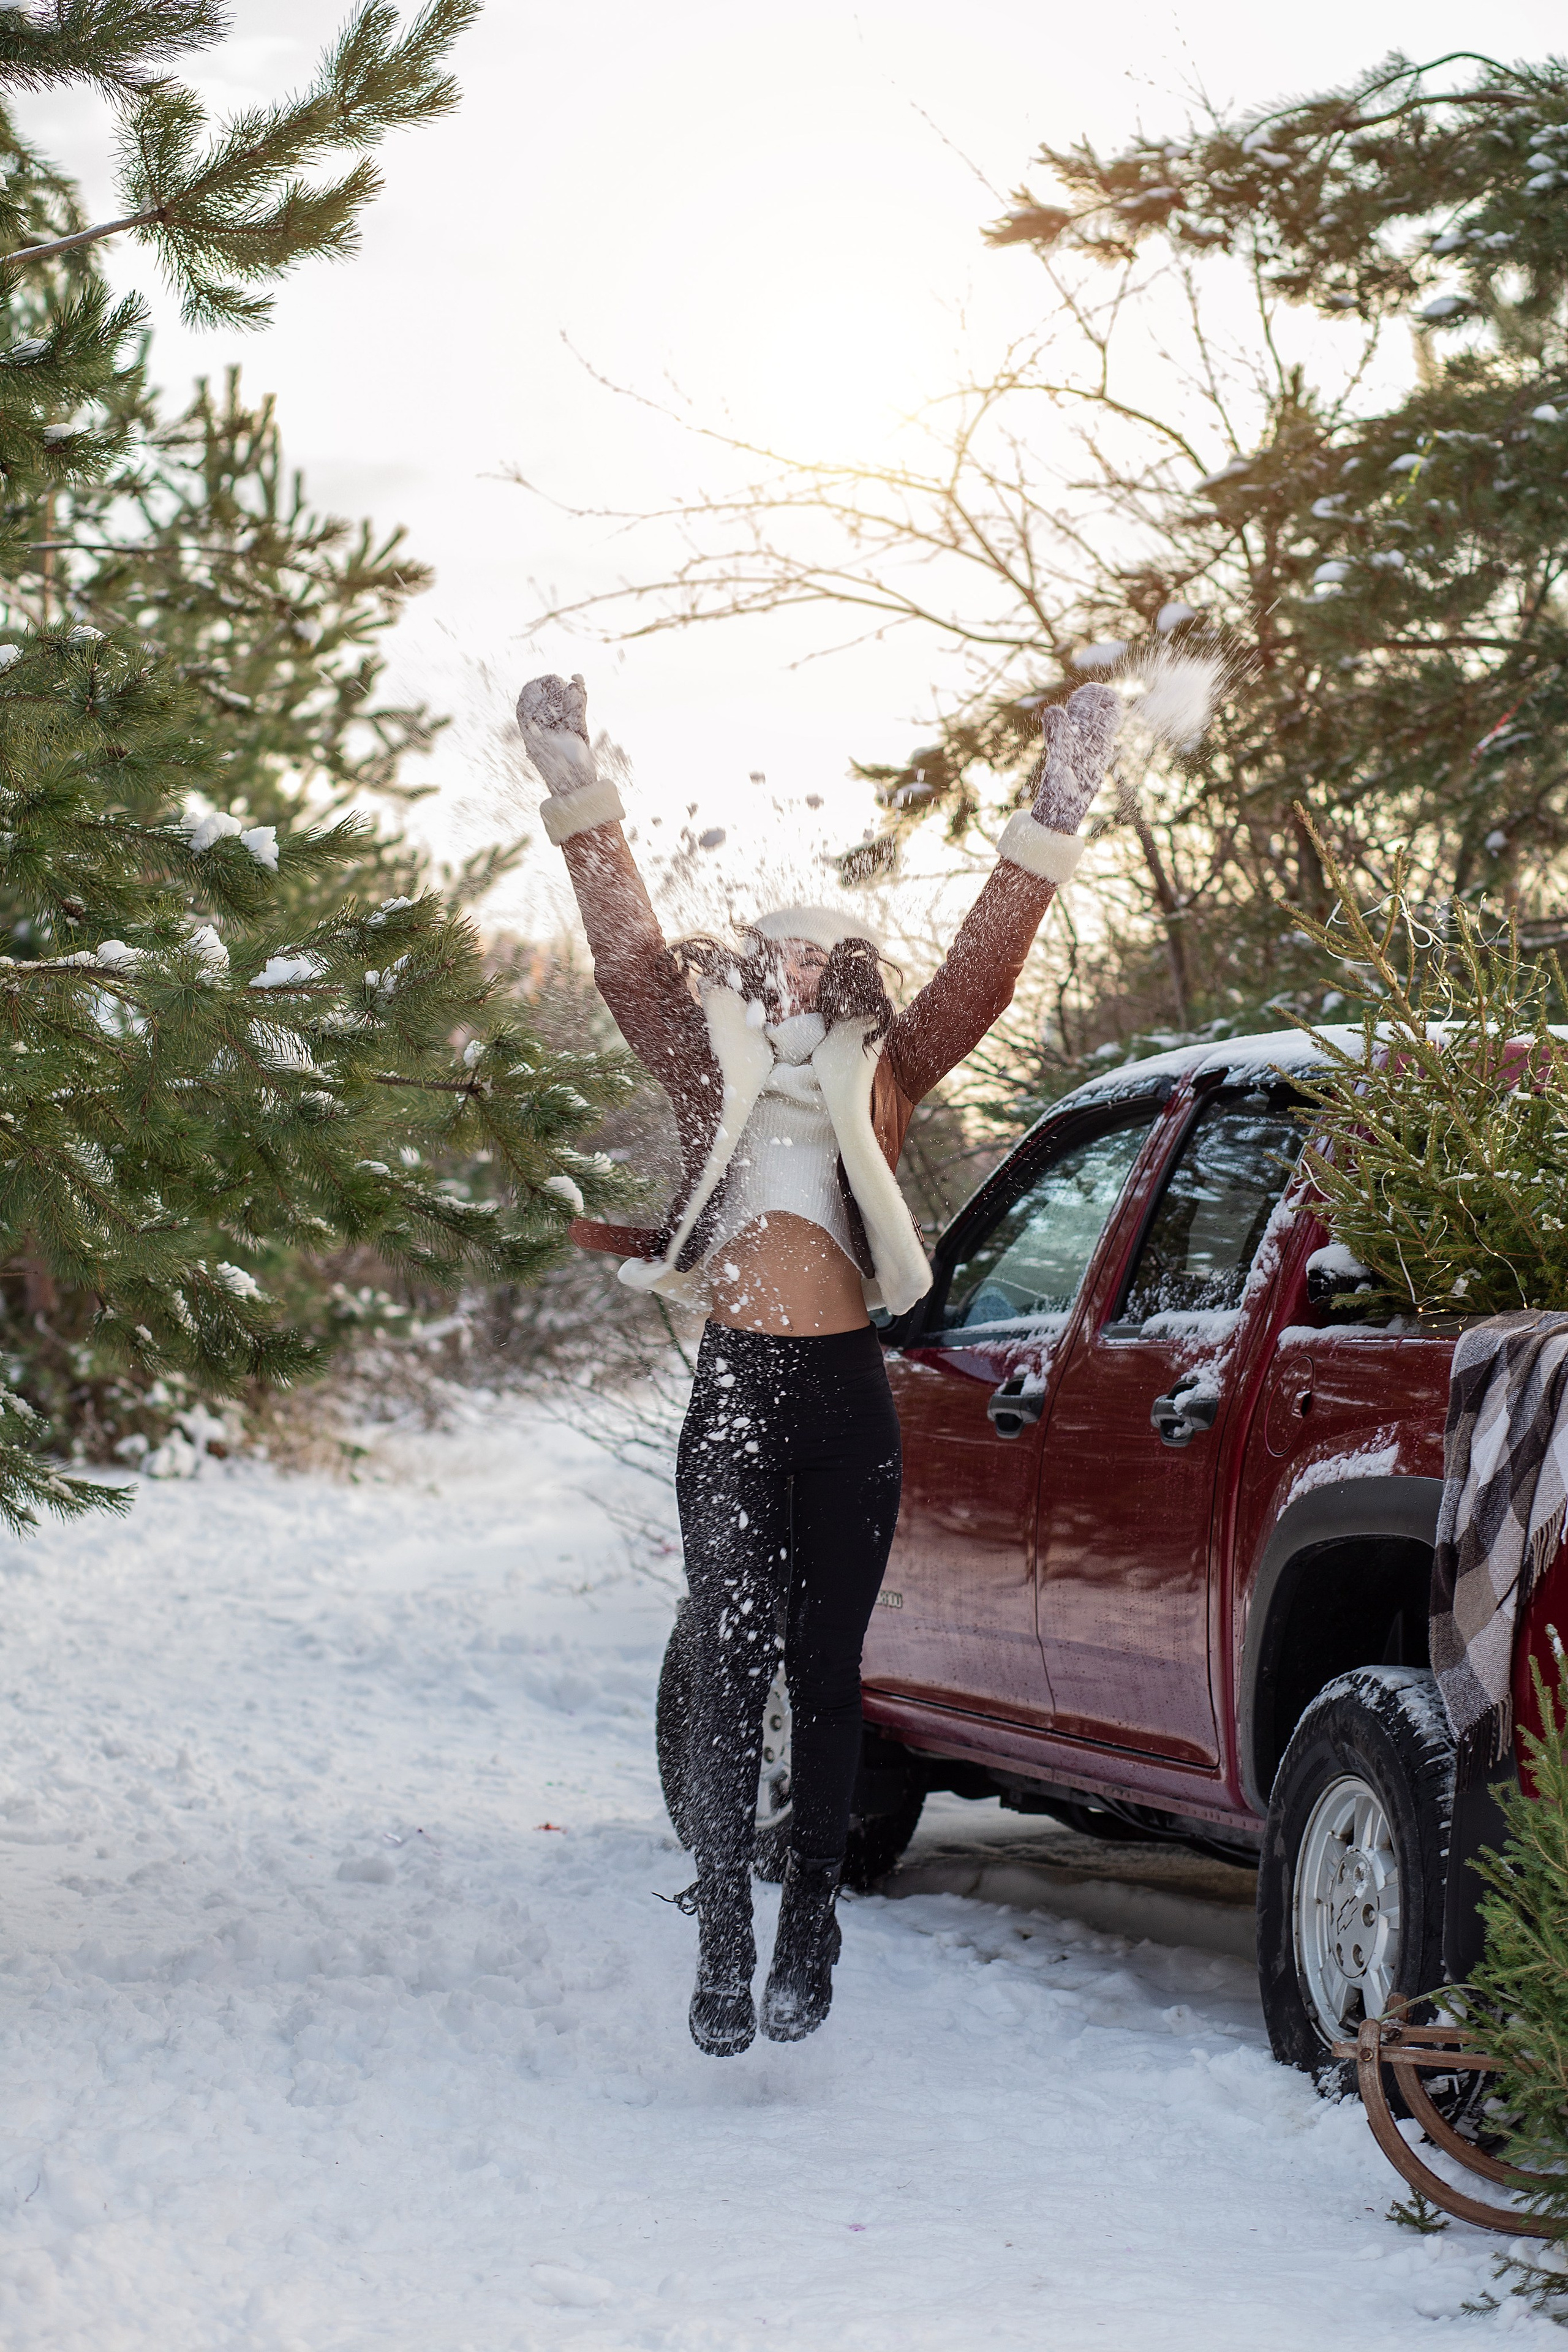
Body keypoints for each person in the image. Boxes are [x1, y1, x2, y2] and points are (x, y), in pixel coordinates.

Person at [516, 671, 1121, 2055]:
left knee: (825, 1663)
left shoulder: (886, 1076)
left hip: (845, 1397)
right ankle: (722, 1934)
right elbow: (621, 961)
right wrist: (573, 781)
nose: (792, 975)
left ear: (844, 976)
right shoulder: (702, 1067)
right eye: (774, 955)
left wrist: (1055, 804)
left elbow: (984, 970)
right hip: (734, 1389)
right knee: (728, 1661)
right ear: (749, 965)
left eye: (816, 958)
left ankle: (810, 1925)